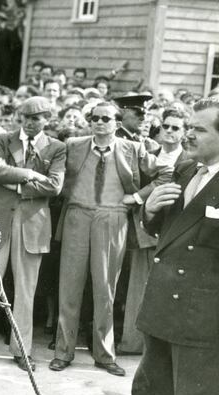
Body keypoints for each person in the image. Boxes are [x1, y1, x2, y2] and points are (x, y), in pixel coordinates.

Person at [49, 102, 170, 376]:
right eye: (94, 118)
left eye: (106, 119)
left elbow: (166, 173)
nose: (99, 123)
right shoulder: (73, 144)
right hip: (78, 216)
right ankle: (63, 351)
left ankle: (104, 354)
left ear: (117, 123)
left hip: (113, 217)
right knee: (69, 285)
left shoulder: (133, 148)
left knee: (105, 288)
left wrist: (137, 197)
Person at [130, 98, 219, 395]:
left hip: (203, 321)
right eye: (189, 127)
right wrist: (149, 211)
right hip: (163, 308)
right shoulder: (184, 170)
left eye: (198, 129)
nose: (188, 135)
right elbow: (165, 232)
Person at [0, 97, 66, 371]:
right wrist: (29, 173)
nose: (30, 122)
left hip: (32, 224)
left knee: (26, 292)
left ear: (47, 119)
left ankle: (22, 349)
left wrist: (15, 184)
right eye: (26, 117)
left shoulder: (56, 147)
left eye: (37, 117)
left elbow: (54, 186)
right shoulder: (4, 139)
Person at [119, 108, 189, 355]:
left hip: (175, 232)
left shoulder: (189, 160)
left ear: (184, 132)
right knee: (138, 287)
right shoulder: (149, 155)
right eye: (166, 127)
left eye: (175, 128)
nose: (169, 132)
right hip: (145, 229)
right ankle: (133, 344)